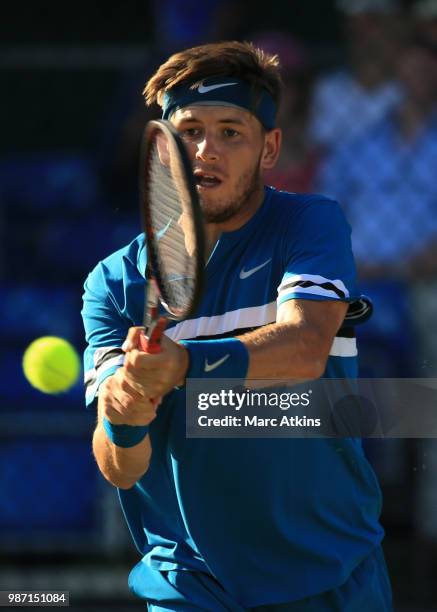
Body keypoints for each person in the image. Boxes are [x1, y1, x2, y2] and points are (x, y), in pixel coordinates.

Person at [82, 41, 392, 611]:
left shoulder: (309, 225)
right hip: (190, 585)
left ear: (269, 147)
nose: (206, 150)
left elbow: (304, 348)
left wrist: (186, 365)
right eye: (191, 130)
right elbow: (121, 469)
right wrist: (125, 412)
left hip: (329, 572)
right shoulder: (113, 282)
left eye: (231, 132)